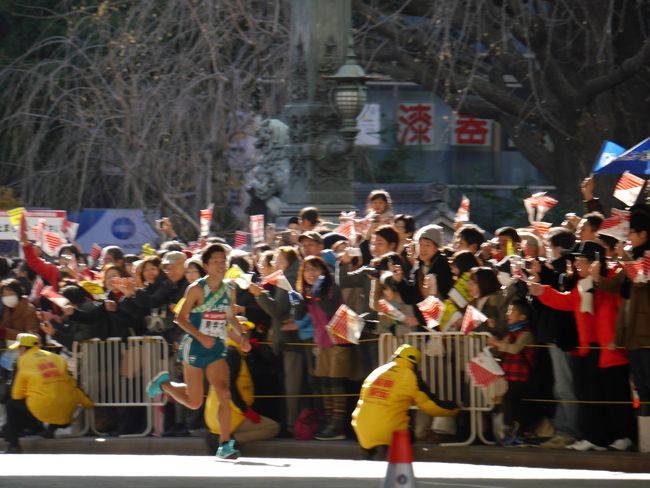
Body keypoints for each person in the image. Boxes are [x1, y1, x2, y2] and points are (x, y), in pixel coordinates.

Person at [146, 244, 250, 459]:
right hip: (195, 347)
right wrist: (201, 337)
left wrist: (241, 337)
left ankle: (225, 444)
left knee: (224, 393)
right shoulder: (195, 288)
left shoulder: (229, 290)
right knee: (194, 402)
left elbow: (229, 318)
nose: (221, 265)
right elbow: (179, 318)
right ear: (206, 265)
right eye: (216, 262)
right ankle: (165, 384)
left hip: (216, 348)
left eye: (223, 261)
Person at [351, 344, 460, 460]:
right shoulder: (410, 376)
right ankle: (396, 459)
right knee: (409, 434)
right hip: (391, 432)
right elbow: (431, 405)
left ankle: (370, 452)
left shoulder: (377, 371)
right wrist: (454, 408)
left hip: (361, 429)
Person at [3, 333, 94, 453]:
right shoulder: (57, 358)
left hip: (43, 409)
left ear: (23, 348)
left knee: (12, 405)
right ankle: (49, 429)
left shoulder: (23, 361)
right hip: (67, 412)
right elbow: (71, 384)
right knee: (50, 397)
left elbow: (17, 395)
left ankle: (14, 445)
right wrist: (88, 403)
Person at [204, 318, 279, 447]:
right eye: (242, 331)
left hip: (216, 415)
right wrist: (245, 410)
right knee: (273, 427)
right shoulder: (231, 354)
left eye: (247, 331)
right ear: (231, 332)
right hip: (232, 416)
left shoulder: (226, 350)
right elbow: (230, 387)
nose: (247, 334)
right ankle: (228, 441)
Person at [487, 300, 536, 445]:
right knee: (514, 404)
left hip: (523, 376)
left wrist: (499, 344)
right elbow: (503, 348)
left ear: (523, 317)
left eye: (512, 311)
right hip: (512, 375)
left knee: (509, 400)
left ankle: (511, 430)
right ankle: (516, 432)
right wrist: (495, 344)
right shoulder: (511, 333)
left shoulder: (526, 334)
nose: (508, 314)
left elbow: (514, 348)